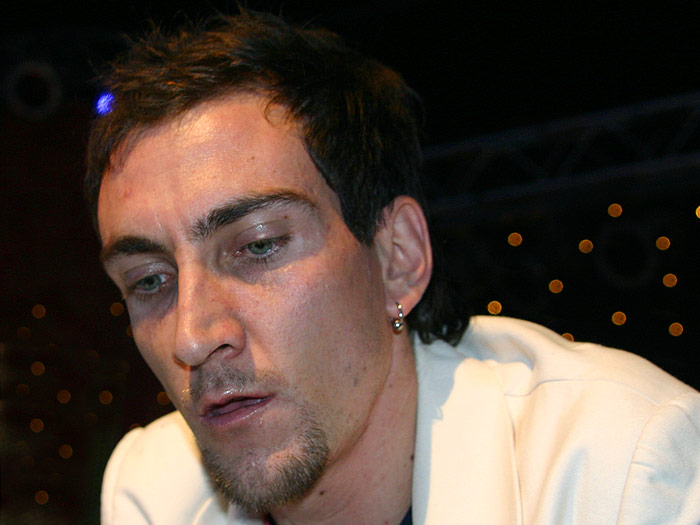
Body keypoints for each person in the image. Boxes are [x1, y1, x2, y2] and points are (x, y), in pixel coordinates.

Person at [86, 10, 700, 525]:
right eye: (150, 281)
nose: (192, 337)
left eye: (259, 245)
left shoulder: (624, 468)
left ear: (397, 257)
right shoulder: (153, 493)